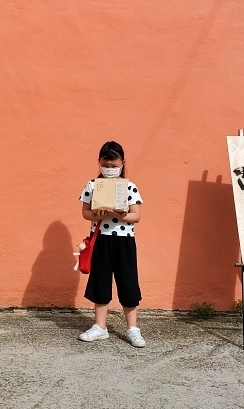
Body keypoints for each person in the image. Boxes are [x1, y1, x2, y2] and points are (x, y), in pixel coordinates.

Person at [76, 141, 145, 348]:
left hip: (124, 240)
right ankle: (100, 327)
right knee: (100, 281)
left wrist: (119, 214)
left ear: (123, 164)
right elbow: (85, 212)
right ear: (99, 162)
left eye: (115, 167)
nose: (110, 170)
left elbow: (136, 216)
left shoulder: (130, 186)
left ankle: (133, 329)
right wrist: (96, 214)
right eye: (106, 166)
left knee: (128, 281)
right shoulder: (92, 185)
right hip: (101, 239)